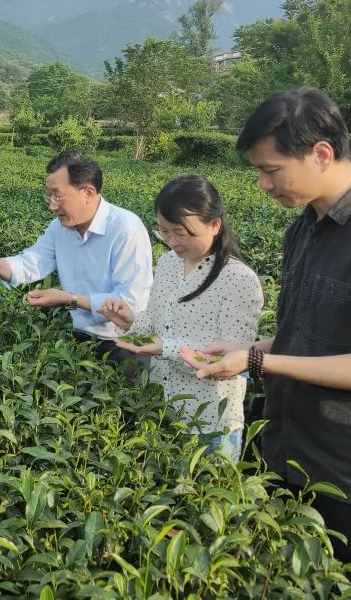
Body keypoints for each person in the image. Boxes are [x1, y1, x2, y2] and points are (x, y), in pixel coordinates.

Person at [182, 89, 351, 600]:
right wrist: (240, 349)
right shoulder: (304, 231)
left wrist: (257, 360)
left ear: (321, 153)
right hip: (293, 455)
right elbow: (304, 336)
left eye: (272, 169)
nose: (263, 185)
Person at [100, 175, 262, 460]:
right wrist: (129, 320)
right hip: (163, 406)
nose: (171, 240)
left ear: (214, 225)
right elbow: (155, 320)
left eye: (181, 232)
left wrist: (167, 348)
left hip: (211, 422)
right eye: (163, 231)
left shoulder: (238, 280)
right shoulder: (167, 263)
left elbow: (231, 361)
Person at [0, 150, 153, 361]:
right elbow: (32, 262)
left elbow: (129, 304)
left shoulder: (126, 229)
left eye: (58, 196)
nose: (52, 205)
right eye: (49, 196)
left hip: (124, 345)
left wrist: (70, 300)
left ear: (88, 193)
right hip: (80, 340)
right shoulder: (60, 228)